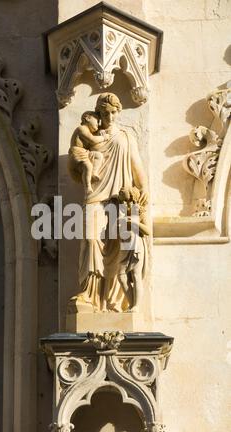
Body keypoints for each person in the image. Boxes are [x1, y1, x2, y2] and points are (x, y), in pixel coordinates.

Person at [69, 92, 149, 313]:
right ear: (99, 113)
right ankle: (90, 294)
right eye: (105, 113)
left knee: (120, 246)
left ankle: (118, 299)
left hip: (119, 198)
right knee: (91, 238)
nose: (110, 117)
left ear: (118, 112)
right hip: (95, 196)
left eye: (114, 112)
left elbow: (136, 167)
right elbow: (75, 165)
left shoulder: (125, 137)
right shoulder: (89, 136)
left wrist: (143, 189)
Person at [68, 111, 109, 196]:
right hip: (77, 152)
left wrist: (100, 131)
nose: (98, 124)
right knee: (88, 166)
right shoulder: (82, 128)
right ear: (87, 118)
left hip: (84, 152)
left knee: (98, 156)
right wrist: (103, 137)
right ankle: (88, 187)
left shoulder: (89, 131)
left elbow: (92, 142)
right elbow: (92, 140)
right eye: (97, 121)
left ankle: (94, 172)